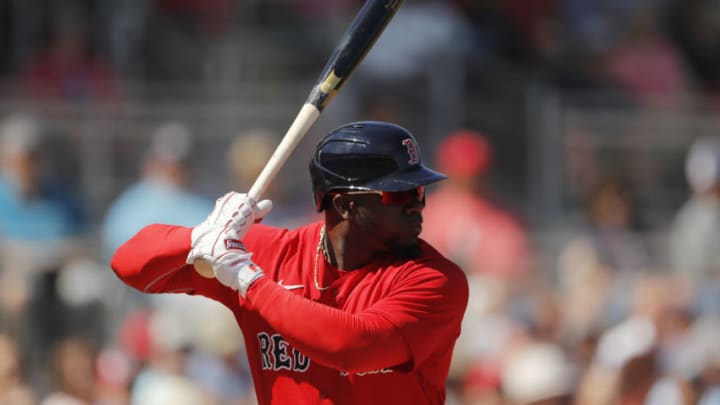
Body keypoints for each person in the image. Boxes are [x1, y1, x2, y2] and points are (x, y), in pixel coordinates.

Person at [110, 121, 469, 404]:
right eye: (399, 193)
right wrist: (200, 236)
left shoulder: (435, 279)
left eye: (419, 191)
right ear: (345, 204)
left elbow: (353, 346)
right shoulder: (270, 253)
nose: (417, 205)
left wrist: (249, 281)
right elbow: (129, 266)